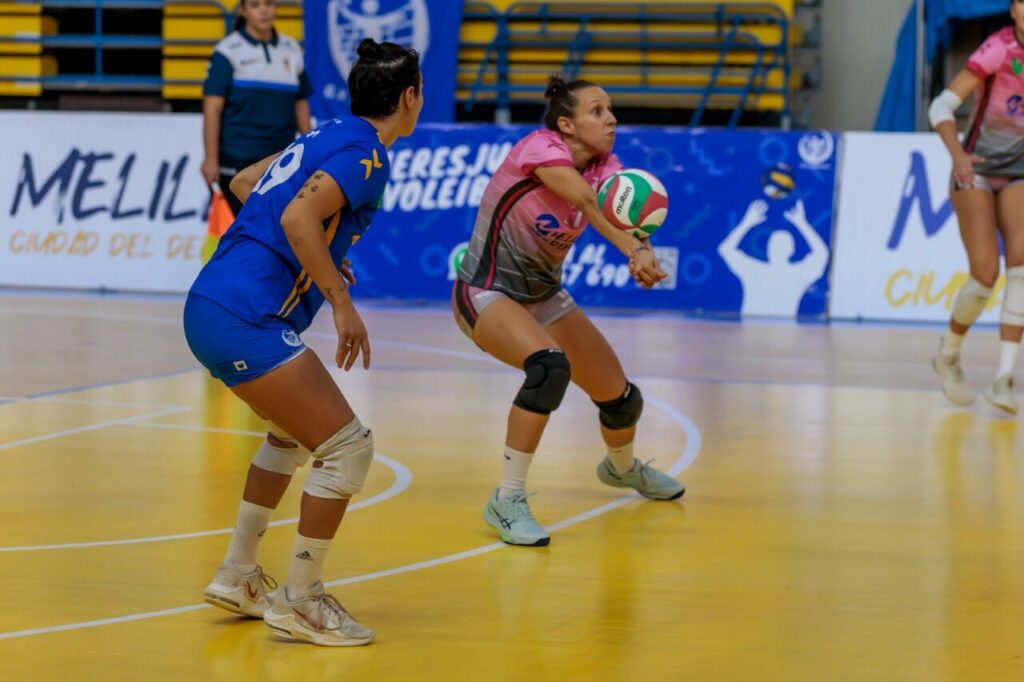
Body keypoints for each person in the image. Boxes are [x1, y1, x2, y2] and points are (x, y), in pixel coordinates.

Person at [183, 39, 422, 646]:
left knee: (291, 435)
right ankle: (302, 600)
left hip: (213, 302)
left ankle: (238, 575)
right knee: (348, 449)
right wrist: (340, 301)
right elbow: (296, 219)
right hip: (246, 316)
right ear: (410, 98)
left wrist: (324, 259)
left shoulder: (324, 135)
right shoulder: (366, 152)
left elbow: (243, 183)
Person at [452, 75, 685, 548]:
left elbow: (621, 212)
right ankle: (507, 498)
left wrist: (644, 248)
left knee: (622, 401)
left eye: (611, 109)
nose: (611, 119)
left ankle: (621, 470)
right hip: (485, 292)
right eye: (597, 111)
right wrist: (629, 249)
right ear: (566, 125)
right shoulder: (538, 148)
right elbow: (582, 197)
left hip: (544, 296)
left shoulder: (606, 166)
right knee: (548, 368)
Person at [929, 0, 1024, 415]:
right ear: (1014, 8)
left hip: (1020, 172)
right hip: (977, 168)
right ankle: (948, 353)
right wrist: (958, 155)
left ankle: (1004, 379)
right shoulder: (998, 49)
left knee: (1022, 265)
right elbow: (940, 106)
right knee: (985, 272)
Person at [200, 0, 313, 216]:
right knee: (245, 229)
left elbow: (300, 103)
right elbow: (212, 109)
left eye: (269, 4)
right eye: (255, 5)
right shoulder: (227, 51)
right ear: (243, 10)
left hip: (280, 158)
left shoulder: (291, 49)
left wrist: (310, 149)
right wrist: (210, 158)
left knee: (276, 229)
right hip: (238, 158)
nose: (264, 10)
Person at [718, 198, 829, 317]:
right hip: (750, 332)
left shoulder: (799, 273)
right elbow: (725, 249)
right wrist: (746, 222)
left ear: (791, 250)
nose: (777, 247)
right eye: (774, 243)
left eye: (782, 244)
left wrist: (802, 223)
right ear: (767, 249)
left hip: (784, 333)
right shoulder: (754, 270)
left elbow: (822, 253)